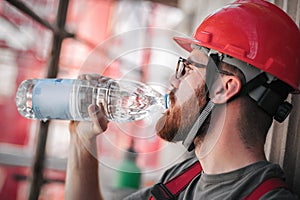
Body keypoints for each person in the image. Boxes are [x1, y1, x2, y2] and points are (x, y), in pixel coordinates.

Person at [65, 0, 300, 199]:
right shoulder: (183, 179)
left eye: (186, 69)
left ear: (223, 87)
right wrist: (81, 139)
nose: (173, 81)